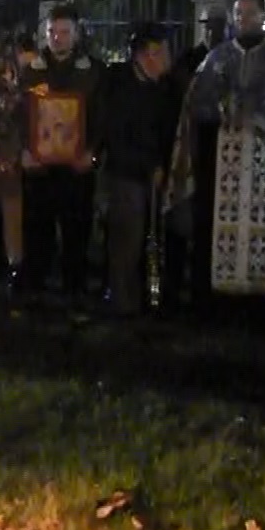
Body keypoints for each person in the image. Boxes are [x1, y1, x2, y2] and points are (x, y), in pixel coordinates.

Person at [165, 0, 265, 317]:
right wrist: (218, 111)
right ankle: (213, 302)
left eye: (251, 13)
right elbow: (193, 109)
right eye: (239, 13)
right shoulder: (216, 59)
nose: (244, 19)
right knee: (213, 230)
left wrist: (259, 116)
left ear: (263, 17)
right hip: (220, 166)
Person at [17, 4, 104, 302]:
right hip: (39, 169)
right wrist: (24, 151)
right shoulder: (31, 72)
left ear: (76, 34)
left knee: (76, 234)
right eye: (52, 32)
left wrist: (92, 152)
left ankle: (74, 293)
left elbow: (102, 119)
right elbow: (18, 115)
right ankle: (34, 292)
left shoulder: (93, 72)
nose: (58, 38)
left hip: (77, 169)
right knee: (36, 232)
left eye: (65, 32)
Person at [96, 24, 174, 317]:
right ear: (147, 55)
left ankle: (141, 297)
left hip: (151, 174)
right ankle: (122, 301)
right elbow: (116, 135)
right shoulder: (119, 87)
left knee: (145, 240)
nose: (167, 60)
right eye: (162, 53)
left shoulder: (163, 87)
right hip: (125, 174)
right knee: (125, 240)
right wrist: (147, 166)